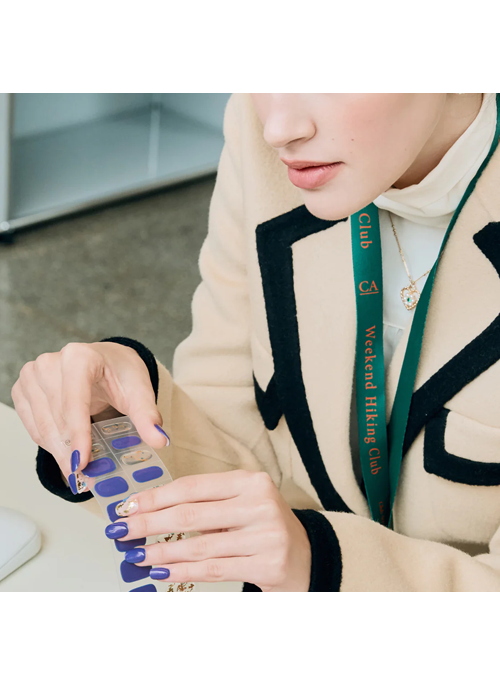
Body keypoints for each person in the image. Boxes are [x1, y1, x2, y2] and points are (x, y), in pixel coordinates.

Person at [11, 92, 500, 592]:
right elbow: (235, 441)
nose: (278, 129)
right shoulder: (259, 124)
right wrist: (114, 417)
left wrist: (323, 564)